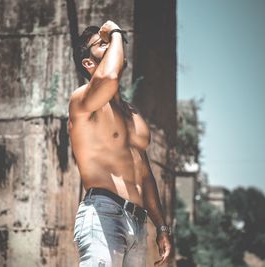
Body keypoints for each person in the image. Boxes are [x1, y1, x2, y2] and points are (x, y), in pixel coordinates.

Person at [68, 20, 172, 266]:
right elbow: (110, 76)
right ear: (88, 64)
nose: (112, 45)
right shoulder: (82, 100)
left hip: (137, 223)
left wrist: (161, 226)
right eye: (101, 44)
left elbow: (144, 174)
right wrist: (115, 31)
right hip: (104, 213)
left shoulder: (131, 113)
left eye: (110, 43)